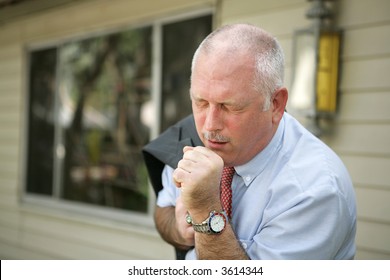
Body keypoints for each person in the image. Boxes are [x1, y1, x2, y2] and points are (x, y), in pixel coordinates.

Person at [143, 23, 356, 260]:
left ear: (275, 104)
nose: (209, 125)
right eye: (200, 102)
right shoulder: (191, 134)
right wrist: (178, 230)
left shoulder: (314, 191)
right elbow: (164, 208)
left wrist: (206, 213)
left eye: (230, 106)